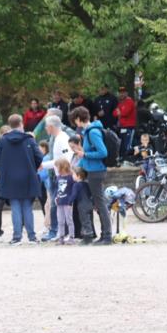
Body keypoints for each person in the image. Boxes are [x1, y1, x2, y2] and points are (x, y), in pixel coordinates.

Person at [0, 114, 44, 245]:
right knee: (27, 206)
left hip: (9, 178)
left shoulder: (3, 141)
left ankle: (17, 237)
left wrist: (4, 171)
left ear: (10, 125)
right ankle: (32, 237)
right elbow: (39, 157)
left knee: (15, 206)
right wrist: (32, 167)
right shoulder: (29, 140)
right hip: (28, 177)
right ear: (21, 123)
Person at [71, 106, 112, 245]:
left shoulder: (92, 132)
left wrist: (85, 154)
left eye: (75, 121)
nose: (75, 124)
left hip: (96, 171)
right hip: (93, 171)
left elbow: (103, 152)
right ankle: (103, 235)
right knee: (99, 203)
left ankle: (107, 235)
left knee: (100, 203)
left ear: (78, 119)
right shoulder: (89, 132)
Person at [53, 158, 76, 245]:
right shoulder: (58, 177)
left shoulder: (70, 178)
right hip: (59, 202)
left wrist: (71, 200)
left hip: (67, 202)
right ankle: (61, 237)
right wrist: (55, 197)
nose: (56, 169)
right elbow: (56, 189)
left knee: (69, 220)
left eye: (57, 167)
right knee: (60, 220)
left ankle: (71, 237)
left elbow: (73, 190)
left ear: (62, 167)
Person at [113, 86, 136, 162]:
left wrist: (120, 112)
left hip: (129, 127)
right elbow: (114, 113)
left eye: (123, 92)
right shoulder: (121, 103)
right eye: (120, 92)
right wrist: (120, 113)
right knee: (122, 144)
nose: (121, 94)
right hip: (122, 127)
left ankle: (127, 159)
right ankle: (123, 159)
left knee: (127, 144)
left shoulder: (129, 101)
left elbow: (125, 113)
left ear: (126, 93)